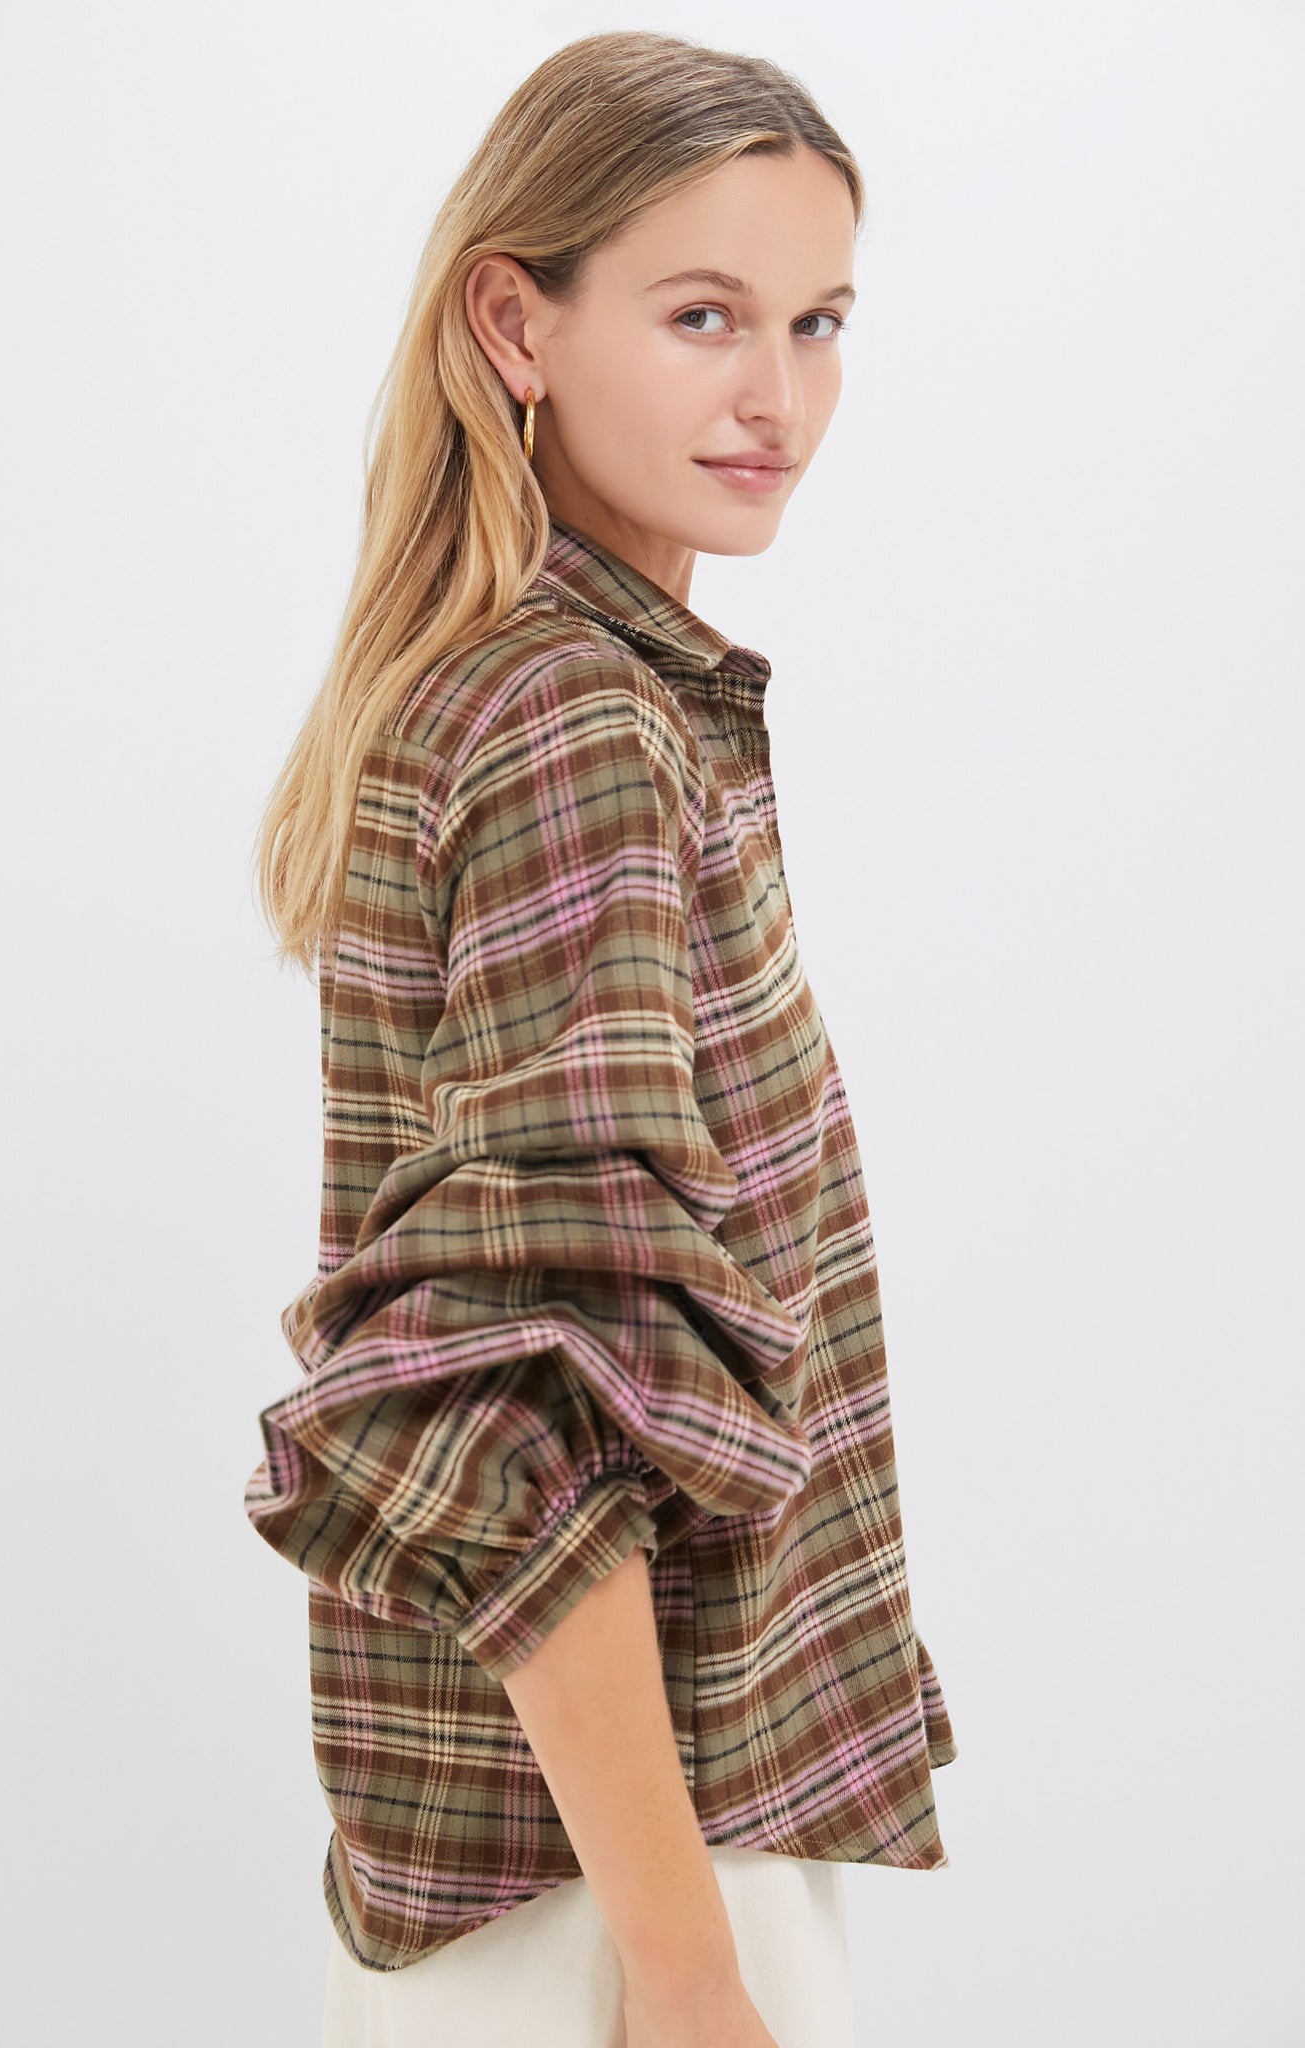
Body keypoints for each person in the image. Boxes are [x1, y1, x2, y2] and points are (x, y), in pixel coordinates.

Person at [242, 28, 958, 2048]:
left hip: (561, 1866)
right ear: (514, 321)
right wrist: (686, 1968)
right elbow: (521, 1410)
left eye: (817, 322)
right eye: (702, 315)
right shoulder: (574, 723)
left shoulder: (515, 686)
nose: (777, 397)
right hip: (619, 1883)